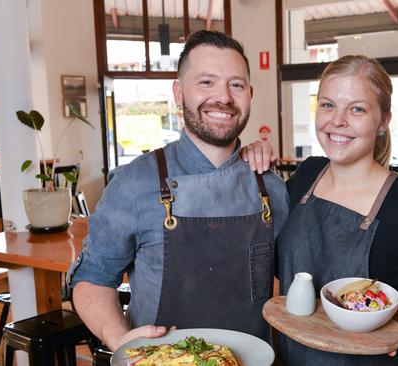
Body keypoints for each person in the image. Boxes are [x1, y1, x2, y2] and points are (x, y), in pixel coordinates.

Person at [67, 30, 288, 351]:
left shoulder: (270, 186)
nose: (223, 97)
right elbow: (93, 276)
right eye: (206, 82)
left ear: (250, 94)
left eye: (236, 85)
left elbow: (298, 278)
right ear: (179, 92)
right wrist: (118, 338)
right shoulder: (133, 184)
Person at [243, 55, 398, 365]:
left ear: (383, 120)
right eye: (328, 105)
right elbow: (280, 265)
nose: (337, 121)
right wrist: (250, 160)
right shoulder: (306, 176)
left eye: (357, 109)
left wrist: (390, 334)